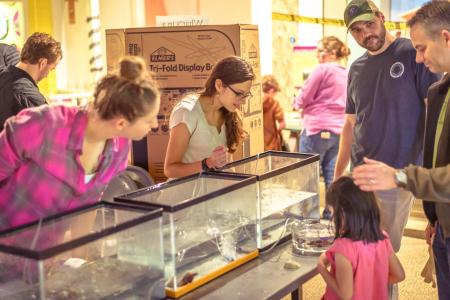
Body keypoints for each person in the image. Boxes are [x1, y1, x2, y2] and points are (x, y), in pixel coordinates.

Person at [353, 2, 450, 298]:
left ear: (446, 38)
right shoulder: (441, 90)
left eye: (421, 48)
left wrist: (401, 178)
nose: (418, 58)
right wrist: (434, 218)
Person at [0, 56, 160, 230]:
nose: (155, 125)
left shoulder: (119, 150)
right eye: (149, 120)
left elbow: (89, 205)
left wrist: (80, 254)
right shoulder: (45, 124)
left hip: (50, 253)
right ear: (121, 123)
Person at [334, 0, 440, 255]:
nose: (365, 34)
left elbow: (433, 120)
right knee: (357, 251)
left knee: (383, 257)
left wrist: (430, 189)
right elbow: (350, 124)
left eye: (369, 24)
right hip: (359, 174)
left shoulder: (412, 54)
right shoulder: (356, 69)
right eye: (357, 30)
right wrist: (338, 176)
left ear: (381, 17)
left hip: (397, 175)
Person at [164, 56, 254, 178]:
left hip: (214, 195)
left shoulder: (230, 112)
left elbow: (228, 163)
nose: (243, 101)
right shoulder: (186, 112)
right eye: (239, 94)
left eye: (246, 95)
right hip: (187, 196)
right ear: (219, 85)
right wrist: (207, 164)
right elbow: (170, 169)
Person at [318, 176, 405, 300]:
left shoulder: (343, 248)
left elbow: (345, 295)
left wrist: (321, 268)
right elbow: (399, 275)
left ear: (342, 213)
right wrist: (368, 286)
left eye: (332, 212)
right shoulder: (382, 238)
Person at [293, 36, 350, 219]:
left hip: (315, 128)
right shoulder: (347, 72)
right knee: (332, 176)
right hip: (338, 131)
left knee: (308, 178)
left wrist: (295, 101)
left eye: (320, 51)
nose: (317, 55)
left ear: (331, 53)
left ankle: (308, 220)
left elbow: (306, 96)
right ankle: (330, 217)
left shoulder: (321, 69)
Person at [0, 32, 62, 131]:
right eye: (51, 69)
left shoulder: (4, 75)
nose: (47, 75)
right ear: (43, 63)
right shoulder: (30, 98)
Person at [262, 75, 285, 151]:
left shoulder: (255, 104)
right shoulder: (274, 104)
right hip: (271, 145)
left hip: (258, 145)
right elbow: (282, 125)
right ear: (271, 91)